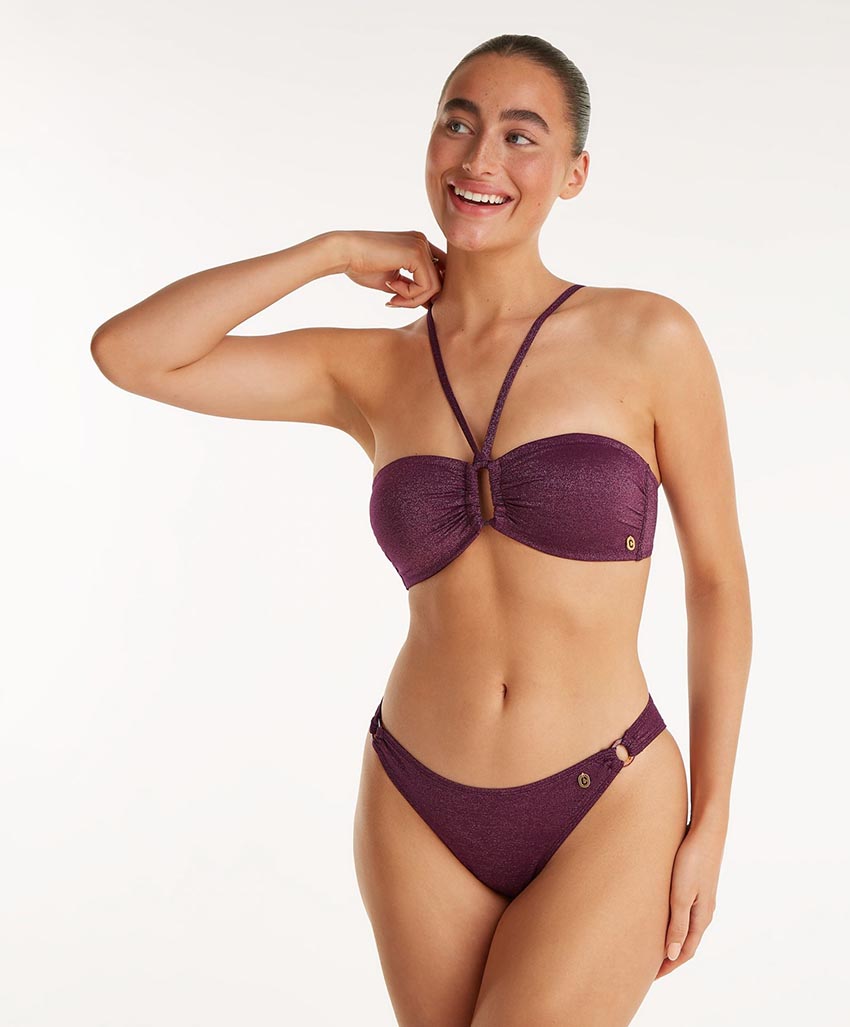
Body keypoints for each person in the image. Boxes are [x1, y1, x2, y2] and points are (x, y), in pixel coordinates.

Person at [90, 33, 752, 1027]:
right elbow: (131, 353)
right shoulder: (372, 370)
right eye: (458, 123)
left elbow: (718, 583)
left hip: (609, 796)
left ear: (574, 172)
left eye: (521, 136)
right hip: (416, 802)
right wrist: (332, 252)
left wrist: (713, 819)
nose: (481, 159)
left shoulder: (648, 338)